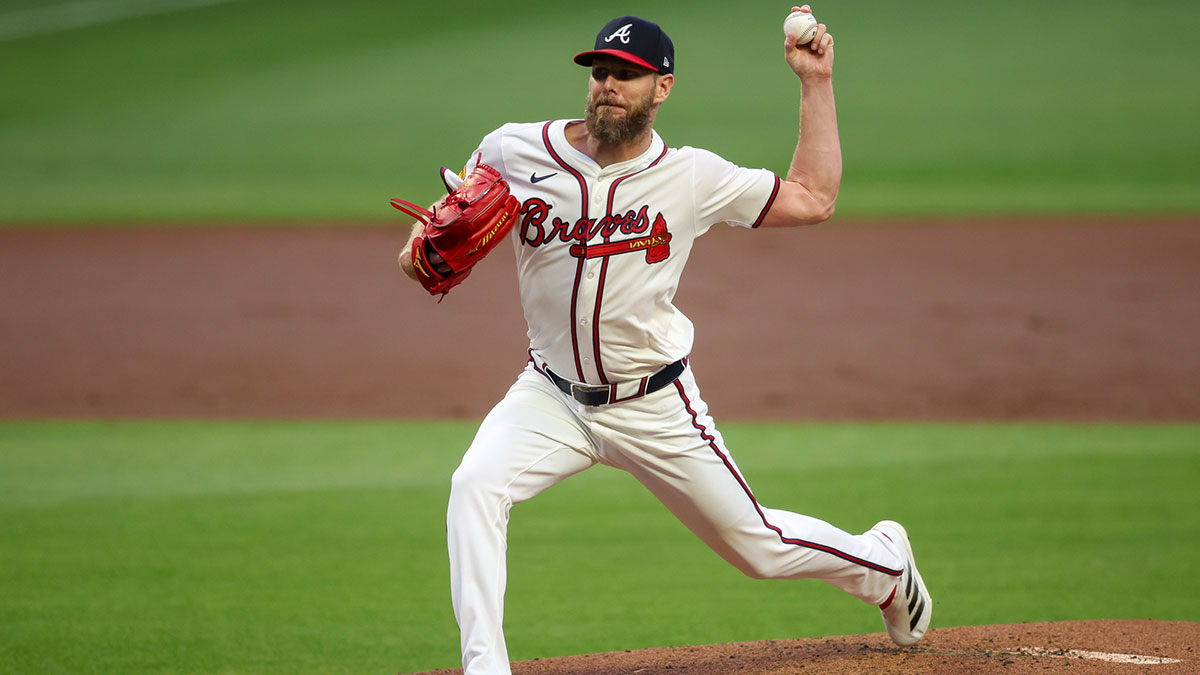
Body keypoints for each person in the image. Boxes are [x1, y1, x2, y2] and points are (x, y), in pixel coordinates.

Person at [398, 7, 931, 674]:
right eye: (600, 71)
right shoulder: (511, 150)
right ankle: (485, 666)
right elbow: (427, 243)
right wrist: (422, 251)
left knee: (757, 547)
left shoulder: (691, 176)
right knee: (474, 483)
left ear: (663, 88)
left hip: (652, 401)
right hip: (550, 396)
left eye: (627, 74)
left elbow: (812, 197)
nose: (608, 84)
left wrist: (815, 83)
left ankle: (883, 562)